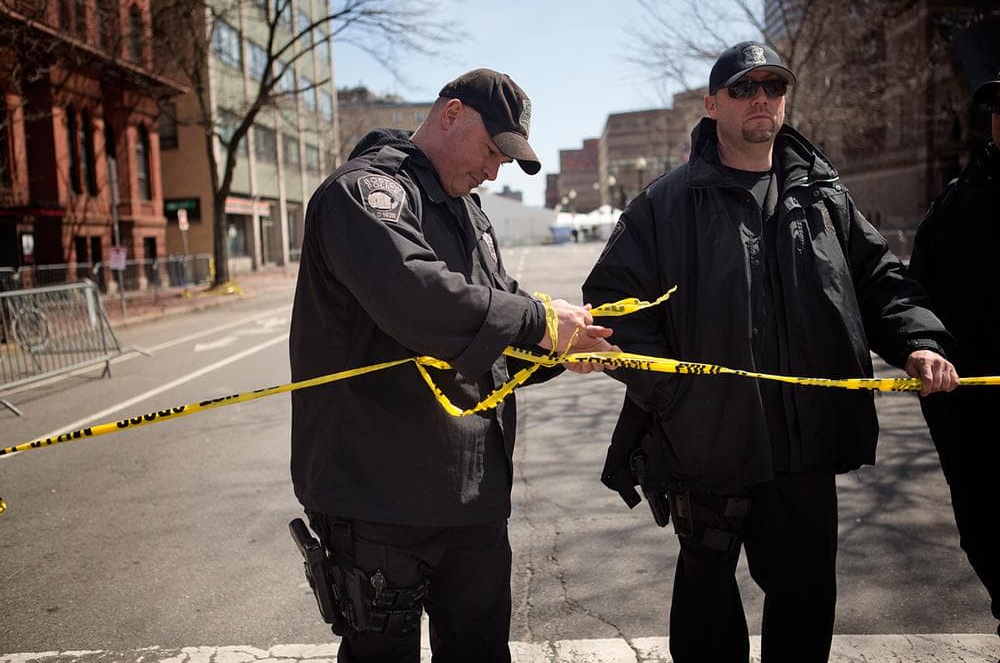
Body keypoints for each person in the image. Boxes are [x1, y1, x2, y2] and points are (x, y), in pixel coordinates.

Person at [582, 42, 960, 662]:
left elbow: (880, 280)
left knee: (806, 598)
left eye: (773, 87)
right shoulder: (664, 204)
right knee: (706, 604)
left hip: (803, 447)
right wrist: (677, 396)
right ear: (712, 105)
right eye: (742, 88)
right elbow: (611, 309)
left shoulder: (823, 197)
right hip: (708, 444)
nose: (761, 98)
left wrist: (918, 341)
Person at [289, 68, 614, 662]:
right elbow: (417, 297)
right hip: (379, 498)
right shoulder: (363, 194)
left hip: (471, 498)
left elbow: (494, 330)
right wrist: (538, 322)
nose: (494, 171)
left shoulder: (470, 213)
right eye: (492, 150)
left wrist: (561, 349)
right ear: (452, 114)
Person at [909, 71, 1000, 640]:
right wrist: (955, 423)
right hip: (984, 436)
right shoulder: (959, 207)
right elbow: (919, 309)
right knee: (992, 544)